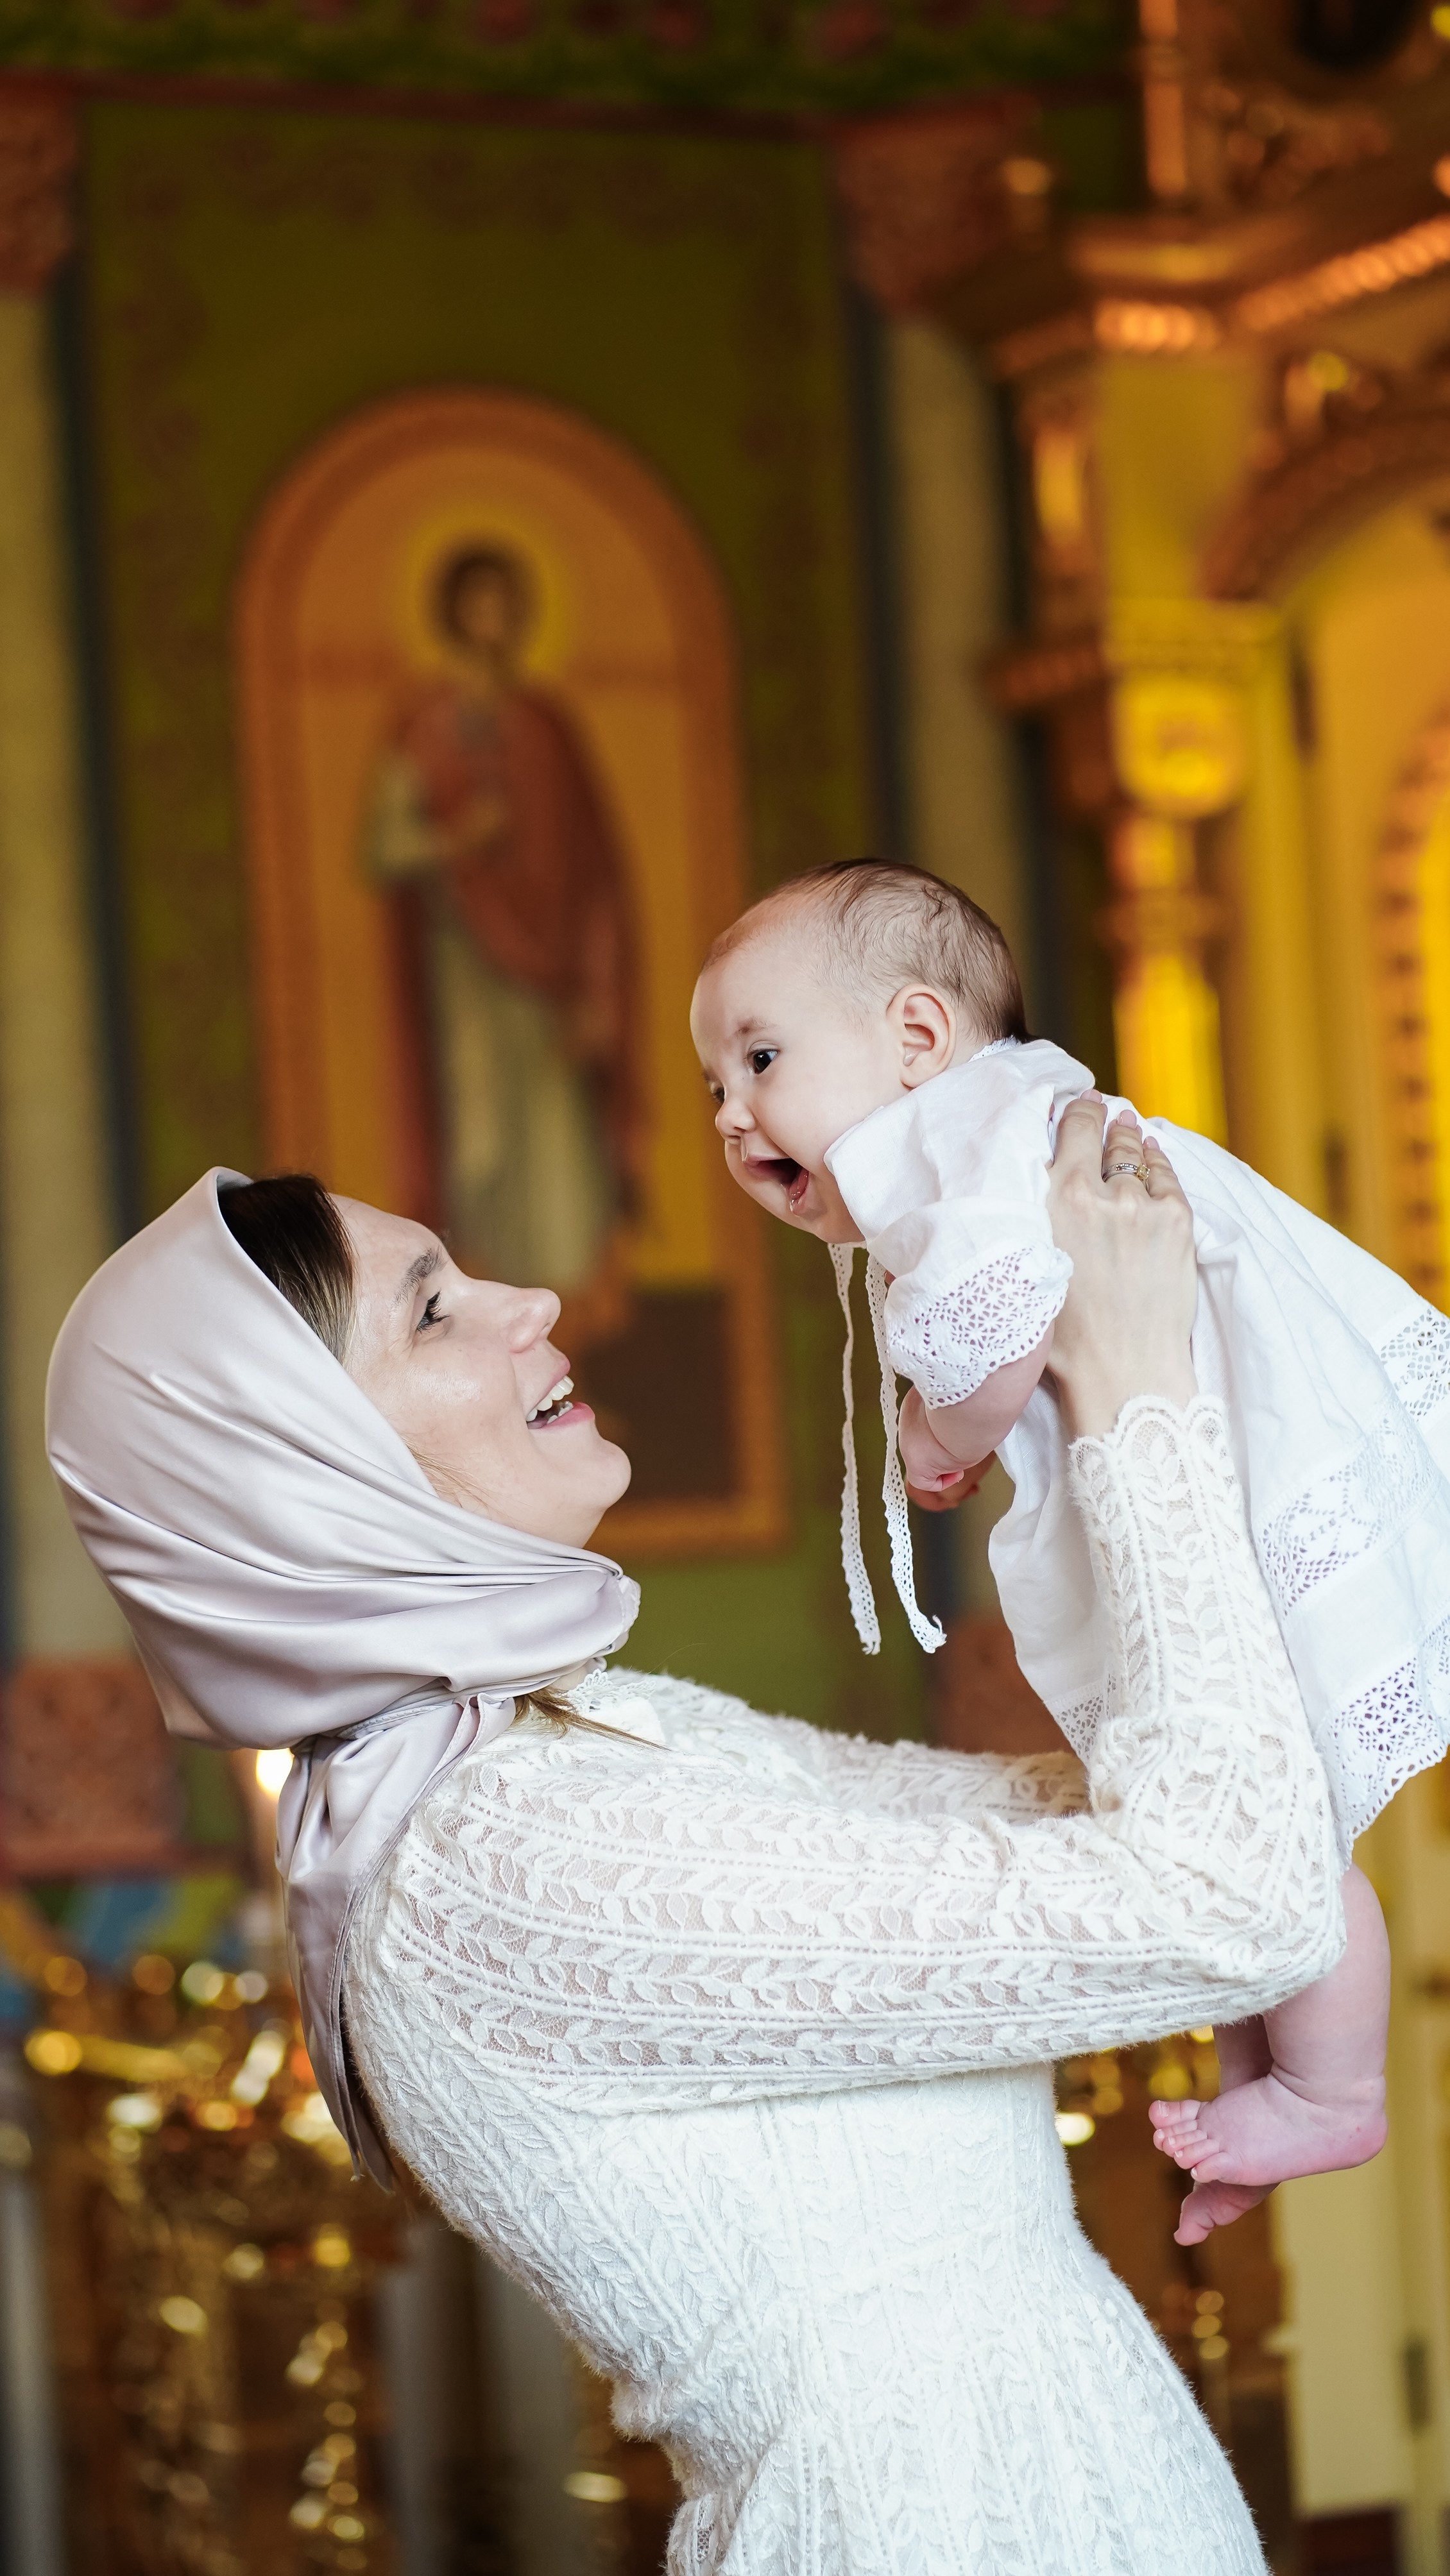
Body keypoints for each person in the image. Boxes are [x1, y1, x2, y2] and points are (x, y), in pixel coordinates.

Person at [46, 1109, 1343, 2573]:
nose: (527, 1300)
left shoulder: (581, 1735)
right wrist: (1126, 1380)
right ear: (307, 1473)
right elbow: (1231, 1897)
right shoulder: (490, 1856)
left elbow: (1147, 1827)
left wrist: (1054, 1411)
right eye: (432, 1310)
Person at [690, 856, 1413, 2239]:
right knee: (1251, 1813)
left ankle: (1330, 2093)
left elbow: (1000, 1313)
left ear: (914, 1036)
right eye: (714, 1090)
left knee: (1285, 1812)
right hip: (1230, 1465)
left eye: (760, 1058)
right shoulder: (1000, 1116)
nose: (733, 1118)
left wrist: (936, 1431)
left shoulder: (964, 1131)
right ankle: (1269, 2073)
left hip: (1234, 1484)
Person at [367, 541, 642, 1300]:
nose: (491, 619)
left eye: (503, 603)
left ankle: (566, 1333)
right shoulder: (423, 725)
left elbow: (595, 871)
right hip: (466, 970)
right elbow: (385, 844)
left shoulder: (547, 726)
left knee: (559, 1157)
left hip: (548, 980)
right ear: (453, 611)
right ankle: (487, 1311)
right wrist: (456, 840)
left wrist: (595, 989)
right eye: (476, 602)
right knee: (480, 1147)